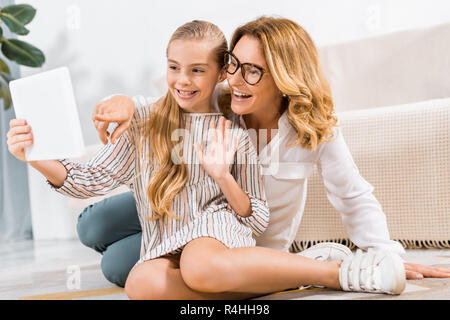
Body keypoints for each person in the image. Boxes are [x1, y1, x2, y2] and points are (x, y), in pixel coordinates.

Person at [87, 16, 450, 291]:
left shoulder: (313, 129)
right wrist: (127, 105)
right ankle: (266, 279)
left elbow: (353, 194)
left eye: (253, 71)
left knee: (119, 266)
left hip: (236, 240)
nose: (235, 79)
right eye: (233, 65)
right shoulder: (220, 103)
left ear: (284, 77)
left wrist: (388, 255)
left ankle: (275, 273)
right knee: (93, 225)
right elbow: (168, 102)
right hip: (182, 205)